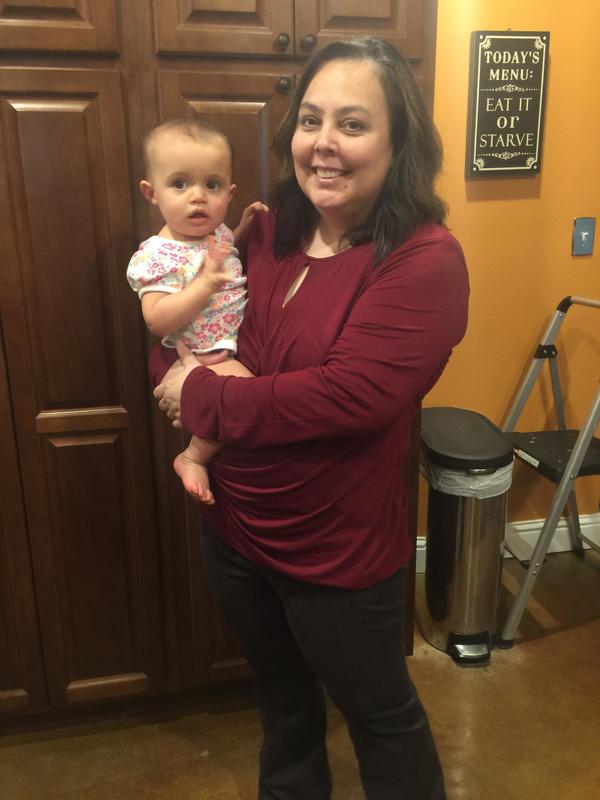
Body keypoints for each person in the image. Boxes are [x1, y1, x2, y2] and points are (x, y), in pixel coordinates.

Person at [151, 37, 469, 800]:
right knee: (283, 701)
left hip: (335, 553)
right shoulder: (267, 234)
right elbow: (185, 332)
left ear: (399, 143)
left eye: (352, 124)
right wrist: (178, 377)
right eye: (310, 120)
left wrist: (199, 397)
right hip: (235, 527)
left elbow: (344, 395)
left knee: (380, 718)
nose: (323, 142)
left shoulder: (425, 260)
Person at [127, 118, 264, 504]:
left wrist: (242, 228)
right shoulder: (158, 255)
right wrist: (204, 286)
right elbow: (156, 319)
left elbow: (226, 253)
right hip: (199, 356)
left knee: (243, 399)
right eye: (180, 184)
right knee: (246, 398)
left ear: (230, 193)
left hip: (222, 348)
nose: (198, 197)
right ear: (152, 193)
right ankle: (192, 456)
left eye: (212, 185)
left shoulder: (215, 234)